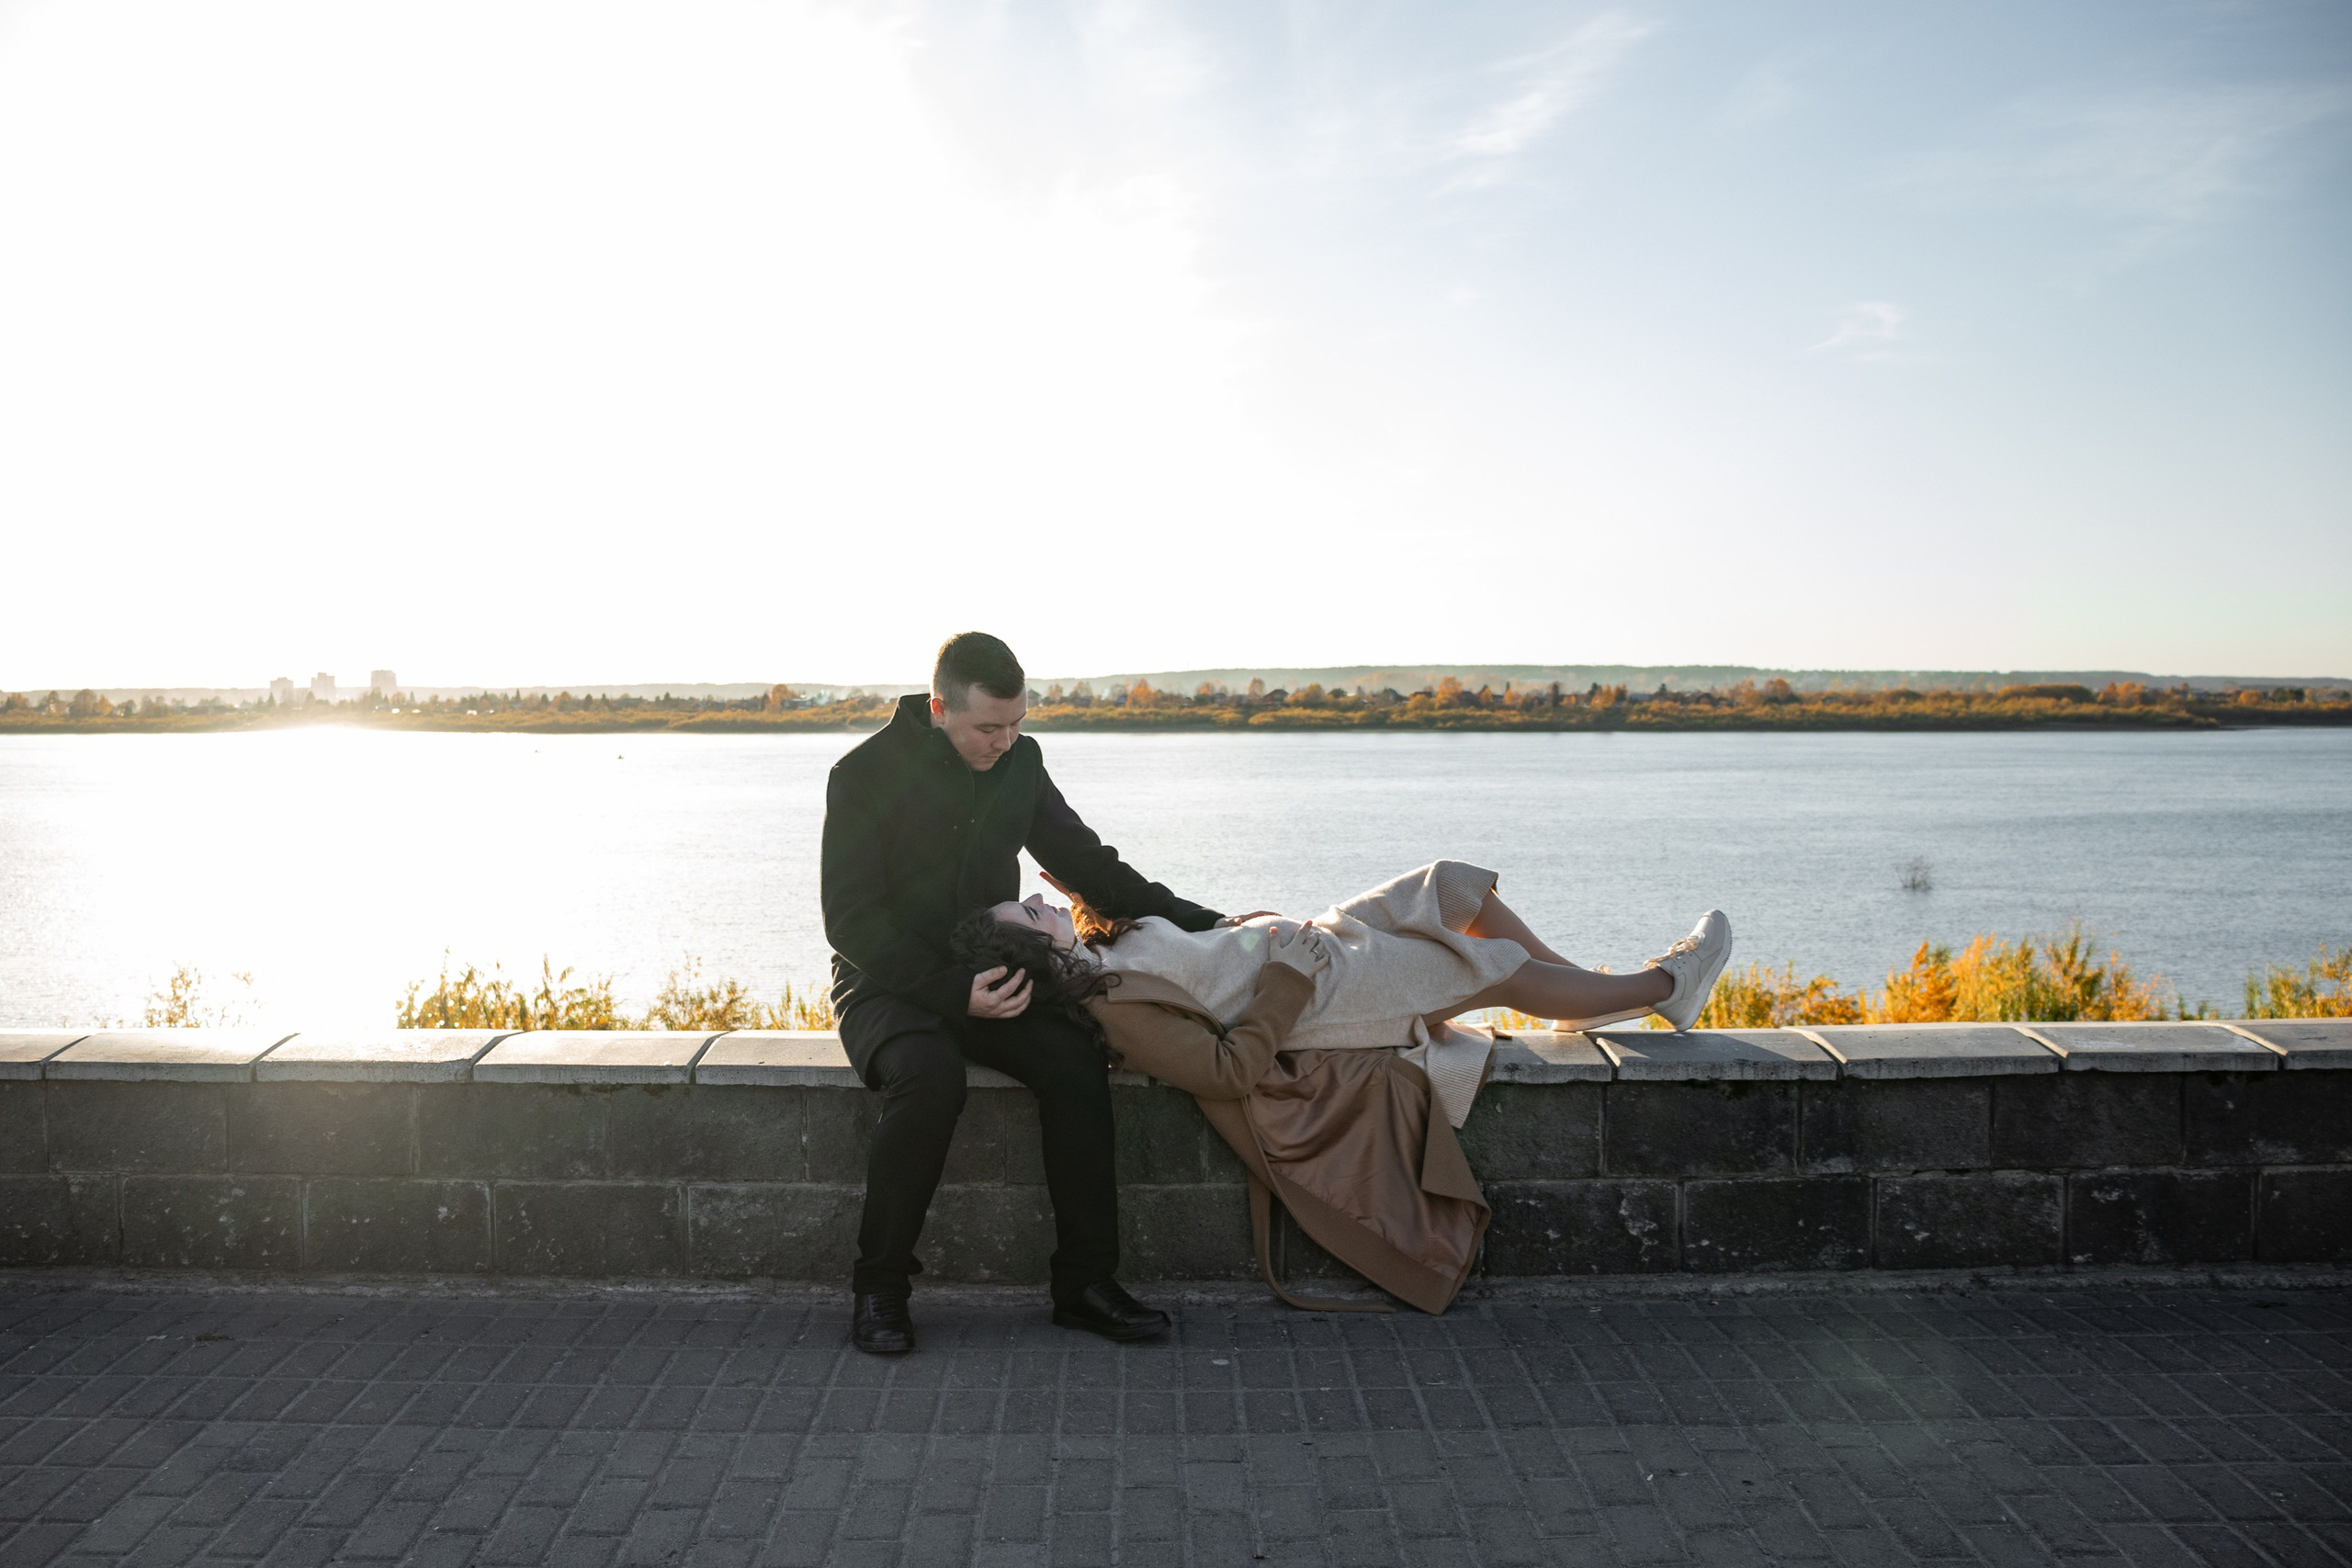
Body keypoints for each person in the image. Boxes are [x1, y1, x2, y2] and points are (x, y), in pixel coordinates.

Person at [949, 863, 1731, 1312]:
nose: (1041, 900)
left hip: (1308, 945)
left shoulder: (1095, 946)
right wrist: (1287, 973)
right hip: (1321, 997)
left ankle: (1601, 994)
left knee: (1452, 887)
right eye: (1028, 908)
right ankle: (1664, 985)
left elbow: (1202, 949)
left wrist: (1262, 934)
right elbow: (1228, 1069)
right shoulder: (1111, 1006)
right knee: (1496, 970)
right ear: (1027, 950)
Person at [820, 632, 1272, 1355]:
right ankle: (880, 1289)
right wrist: (950, 991)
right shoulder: (863, 773)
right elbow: (850, 920)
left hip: (992, 969)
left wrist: (1212, 922)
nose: (1005, 741)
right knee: (930, 1078)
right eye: (988, 727)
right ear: (940, 707)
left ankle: (1085, 1286)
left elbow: (1092, 866)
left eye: (1017, 724)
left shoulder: (1020, 764)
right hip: (888, 984)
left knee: (1074, 1059)